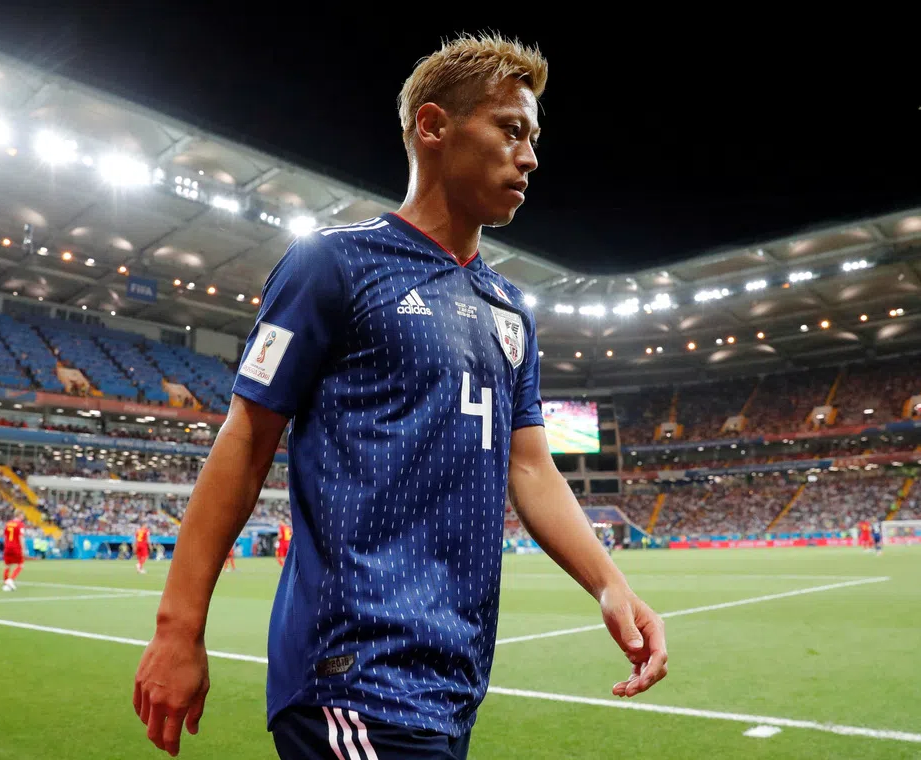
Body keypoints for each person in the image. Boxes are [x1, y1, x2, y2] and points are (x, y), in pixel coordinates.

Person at [133, 33, 667, 760]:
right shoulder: (333, 265)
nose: (530, 157)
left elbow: (531, 466)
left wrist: (611, 585)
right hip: (351, 676)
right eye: (511, 130)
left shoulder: (511, 310)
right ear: (435, 126)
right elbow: (248, 438)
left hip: (453, 679)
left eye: (534, 139)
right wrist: (177, 629)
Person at [1, 511, 25, 591]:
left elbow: (5, 536)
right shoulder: (20, 524)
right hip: (16, 547)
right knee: (21, 565)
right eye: (22, 515)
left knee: (7, 566)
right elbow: (21, 537)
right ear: (19, 515)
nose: (23, 517)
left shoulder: (8, 523)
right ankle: (10, 580)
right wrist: (23, 549)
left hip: (7, 547)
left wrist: (5, 546)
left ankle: (6, 585)